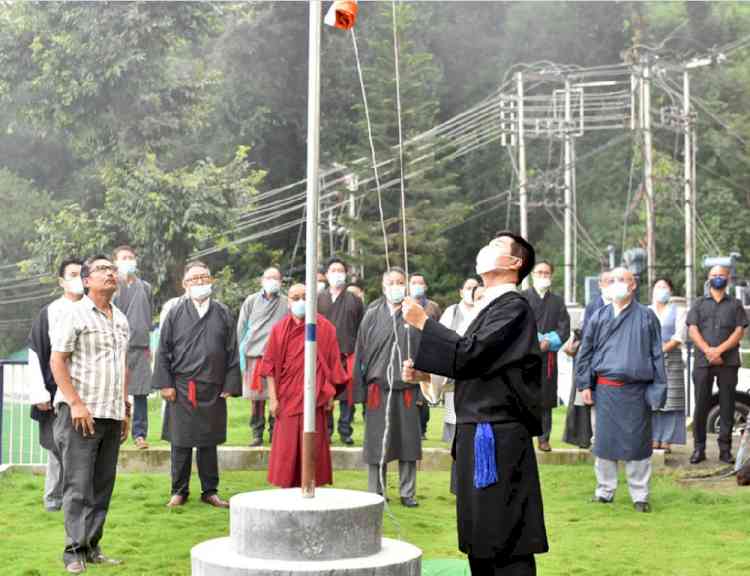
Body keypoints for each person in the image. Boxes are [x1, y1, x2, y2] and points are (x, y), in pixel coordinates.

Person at [402, 231, 548, 576]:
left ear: (516, 263)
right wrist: (427, 377)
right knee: (479, 532)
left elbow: (472, 354)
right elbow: (479, 370)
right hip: (476, 429)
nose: (486, 250)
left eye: (497, 247)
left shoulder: (513, 307)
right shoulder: (487, 307)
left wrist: (425, 323)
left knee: (505, 533)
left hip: (496, 435)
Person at [50, 254, 130, 574]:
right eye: (101, 270)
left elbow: (121, 366)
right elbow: (58, 361)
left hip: (111, 413)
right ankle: (73, 552)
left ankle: (93, 546)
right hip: (81, 414)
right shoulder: (74, 314)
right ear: (86, 281)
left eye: (112, 269)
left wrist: (124, 408)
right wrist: (76, 403)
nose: (110, 273)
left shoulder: (121, 318)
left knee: (102, 485)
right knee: (78, 486)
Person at [575, 267, 666, 513]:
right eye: (614, 280)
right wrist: (584, 384)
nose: (618, 284)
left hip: (636, 391)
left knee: (638, 444)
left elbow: (657, 356)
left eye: (623, 280)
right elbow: (586, 352)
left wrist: (658, 390)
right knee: (604, 443)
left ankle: (640, 495)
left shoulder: (647, 317)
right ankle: (604, 491)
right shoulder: (599, 316)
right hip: (606, 390)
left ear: (633, 285)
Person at [152, 261, 242, 508]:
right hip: (182, 387)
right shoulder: (175, 312)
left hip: (212, 387)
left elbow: (232, 350)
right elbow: (163, 351)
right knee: (180, 440)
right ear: (185, 284)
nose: (200, 282)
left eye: (204, 277)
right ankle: (179, 490)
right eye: (194, 279)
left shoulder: (222, 312)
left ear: (211, 281)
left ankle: (209, 491)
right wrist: (165, 384)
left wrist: (230, 383)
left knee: (208, 441)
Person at [262, 284, 348, 488]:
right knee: (286, 449)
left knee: (313, 448)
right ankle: (287, 488)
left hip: (314, 401)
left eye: (305, 297)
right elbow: (269, 367)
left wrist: (329, 396)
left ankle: (312, 488)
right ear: (289, 302)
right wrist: (273, 399)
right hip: (287, 399)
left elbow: (333, 365)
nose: (301, 301)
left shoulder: (325, 328)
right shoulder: (279, 329)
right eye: (295, 297)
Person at [354, 267, 422, 507]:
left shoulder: (415, 314)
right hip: (377, 390)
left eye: (400, 282)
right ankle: (377, 493)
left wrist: (422, 382)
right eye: (391, 282)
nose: (396, 286)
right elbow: (360, 354)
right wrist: (358, 391)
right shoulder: (372, 314)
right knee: (376, 443)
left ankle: (408, 493)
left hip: (406, 390)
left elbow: (427, 351)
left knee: (408, 442)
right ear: (383, 287)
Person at [27, 258, 84, 512]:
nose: (78, 278)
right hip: (53, 393)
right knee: (56, 448)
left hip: (85, 393)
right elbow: (36, 353)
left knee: (81, 451)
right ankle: (53, 500)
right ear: (61, 281)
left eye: (82, 274)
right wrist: (39, 391)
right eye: (72, 274)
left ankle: (78, 501)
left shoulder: (92, 309)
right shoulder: (49, 312)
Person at [420, 276, 479, 495]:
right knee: (459, 438)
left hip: (478, 387)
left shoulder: (486, 313)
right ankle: (459, 485)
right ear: (461, 290)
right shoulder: (452, 313)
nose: (473, 291)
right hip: (454, 386)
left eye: (476, 288)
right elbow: (439, 346)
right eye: (469, 287)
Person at [686, 265, 749, 464]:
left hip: (728, 362)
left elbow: (739, 331)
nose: (718, 278)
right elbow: (693, 330)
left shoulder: (736, 305)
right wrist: (708, 351)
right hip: (703, 362)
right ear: (708, 278)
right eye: (714, 275)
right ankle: (699, 448)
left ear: (728, 278)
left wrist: (719, 351)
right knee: (701, 405)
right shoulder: (698, 304)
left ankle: (725, 450)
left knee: (727, 405)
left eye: (721, 275)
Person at [237, 266, 288, 446]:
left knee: (277, 397)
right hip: (254, 356)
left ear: (281, 282)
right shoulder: (251, 301)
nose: (272, 281)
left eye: (276, 278)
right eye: (269, 278)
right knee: (256, 399)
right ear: (262, 280)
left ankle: (275, 432)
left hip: (278, 358)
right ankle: (257, 433)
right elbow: (241, 328)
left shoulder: (286, 302)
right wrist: (241, 356)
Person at [562, 269, 613, 449]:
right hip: (592, 360)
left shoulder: (623, 304)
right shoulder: (592, 306)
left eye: (613, 281)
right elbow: (584, 334)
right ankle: (594, 439)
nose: (610, 285)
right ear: (599, 284)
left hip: (614, 362)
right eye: (607, 281)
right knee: (590, 401)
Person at [523, 260, 570, 452]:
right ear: (532, 275)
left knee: (546, 398)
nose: (543, 276)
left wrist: (549, 341)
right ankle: (524, 436)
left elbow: (564, 328)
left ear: (551, 276)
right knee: (525, 396)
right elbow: (518, 323)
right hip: (525, 355)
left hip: (548, 357)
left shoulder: (558, 301)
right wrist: (534, 340)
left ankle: (544, 438)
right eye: (539, 272)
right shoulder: (522, 298)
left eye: (546, 273)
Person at [318, 257, 365, 445]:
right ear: (327, 274)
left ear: (345, 274)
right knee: (326, 393)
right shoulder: (318, 298)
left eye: (340, 270)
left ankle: (345, 430)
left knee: (347, 396)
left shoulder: (354, 300)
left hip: (348, 354)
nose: (337, 274)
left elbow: (362, 328)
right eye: (333, 270)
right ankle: (326, 430)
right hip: (324, 356)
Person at [112, 245, 154, 450]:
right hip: (117, 347)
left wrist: (150, 345)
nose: (128, 260)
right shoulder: (111, 287)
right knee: (115, 390)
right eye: (123, 257)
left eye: (130, 257)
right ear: (116, 262)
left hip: (141, 346)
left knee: (141, 393)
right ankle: (115, 432)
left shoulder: (145, 287)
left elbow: (148, 316)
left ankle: (140, 434)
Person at [649, 278, 687, 453]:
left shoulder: (679, 311)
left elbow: (679, 336)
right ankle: (653, 437)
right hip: (648, 361)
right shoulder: (645, 311)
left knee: (671, 401)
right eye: (658, 287)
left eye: (664, 287)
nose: (661, 290)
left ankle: (666, 439)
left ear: (670, 291)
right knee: (652, 400)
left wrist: (661, 351)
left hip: (671, 360)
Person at [409, 273, 442, 440]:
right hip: (407, 355)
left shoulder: (433, 307)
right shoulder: (404, 305)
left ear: (425, 286)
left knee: (423, 396)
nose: (417, 285)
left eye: (420, 283)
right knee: (408, 395)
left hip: (427, 356)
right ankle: (410, 429)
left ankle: (422, 429)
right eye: (413, 282)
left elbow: (440, 331)